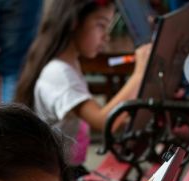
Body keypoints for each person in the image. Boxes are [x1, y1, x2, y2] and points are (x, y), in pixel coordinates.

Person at [14, 0, 151, 166]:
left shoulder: (69, 63)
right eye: (101, 25)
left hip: (65, 167)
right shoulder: (59, 73)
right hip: (59, 173)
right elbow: (104, 122)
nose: (106, 37)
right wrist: (139, 73)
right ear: (74, 22)